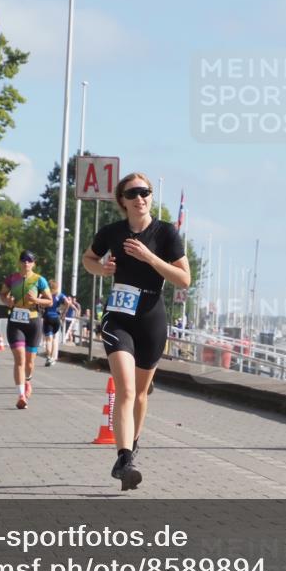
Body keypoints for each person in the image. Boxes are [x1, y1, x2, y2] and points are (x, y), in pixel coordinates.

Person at [82, 173, 190, 491]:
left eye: (145, 192)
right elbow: (88, 258)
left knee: (141, 394)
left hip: (151, 320)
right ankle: (125, 458)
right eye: (133, 193)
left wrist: (150, 257)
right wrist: (101, 268)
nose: (140, 198)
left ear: (151, 197)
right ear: (123, 200)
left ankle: (132, 445)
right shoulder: (112, 232)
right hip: (118, 318)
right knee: (125, 390)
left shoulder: (166, 232)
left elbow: (184, 280)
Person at [1, 251, 54, 409]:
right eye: (23, 260)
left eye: (30, 260)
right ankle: (21, 395)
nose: (26, 263)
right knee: (19, 359)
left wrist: (36, 300)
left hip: (33, 321)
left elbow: (50, 301)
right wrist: (7, 301)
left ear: (34, 264)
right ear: (19, 262)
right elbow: (3, 294)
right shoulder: (12, 278)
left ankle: (28, 380)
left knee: (30, 362)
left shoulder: (39, 280)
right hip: (15, 321)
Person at [41, 280, 70, 367]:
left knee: (48, 339)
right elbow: (68, 303)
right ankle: (53, 358)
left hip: (47, 317)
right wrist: (64, 313)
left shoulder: (45, 295)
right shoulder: (59, 295)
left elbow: (40, 304)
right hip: (56, 318)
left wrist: (42, 310)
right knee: (54, 338)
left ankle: (48, 357)